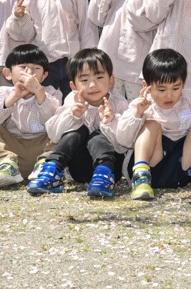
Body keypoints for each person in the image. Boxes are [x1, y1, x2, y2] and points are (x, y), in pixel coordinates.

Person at [116, 48, 191, 201]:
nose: (169, 95)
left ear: (183, 83)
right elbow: (123, 140)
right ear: (146, 85)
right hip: (153, 165)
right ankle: (141, 176)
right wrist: (138, 114)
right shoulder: (142, 104)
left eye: (176, 88)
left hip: (182, 167)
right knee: (152, 125)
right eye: (161, 89)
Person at [28, 49, 129, 199]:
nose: (92, 85)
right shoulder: (72, 100)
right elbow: (54, 135)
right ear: (73, 86)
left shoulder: (119, 103)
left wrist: (112, 122)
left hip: (111, 167)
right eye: (84, 80)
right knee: (77, 130)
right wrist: (73, 115)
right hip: (80, 168)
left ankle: (103, 176)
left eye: (99, 77)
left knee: (98, 135)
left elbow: (126, 143)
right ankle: (52, 170)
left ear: (111, 80)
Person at [84, 0, 164, 100]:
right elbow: (96, 17)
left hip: (137, 68)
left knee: (137, 107)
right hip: (110, 65)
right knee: (112, 106)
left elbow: (143, 22)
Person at [0, 43, 63, 189]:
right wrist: (14, 97)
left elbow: (54, 122)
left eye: (36, 68)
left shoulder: (51, 93)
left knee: (64, 124)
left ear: (44, 76)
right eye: (23, 67)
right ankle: (6, 166)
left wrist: (39, 92)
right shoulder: (4, 92)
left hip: (44, 151)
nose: (30, 72)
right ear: (8, 73)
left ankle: (45, 166)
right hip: (13, 152)